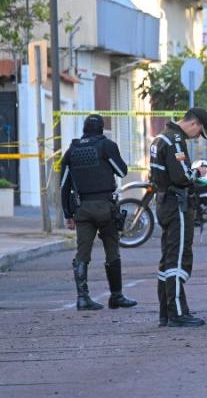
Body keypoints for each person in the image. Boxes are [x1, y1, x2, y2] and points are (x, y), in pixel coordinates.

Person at [61, 114, 137, 311]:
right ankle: (116, 296)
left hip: (82, 209)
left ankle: (82, 298)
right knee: (112, 249)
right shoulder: (106, 145)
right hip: (105, 207)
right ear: (102, 129)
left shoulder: (72, 150)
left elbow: (64, 185)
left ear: (84, 129)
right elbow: (121, 171)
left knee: (82, 253)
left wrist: (67, 214)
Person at [150, 108, 207, 327]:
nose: (196, 136)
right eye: (199, 131)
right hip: (177, 204)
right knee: (177, 259)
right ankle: (177, 313)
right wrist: (198, 173)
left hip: (164, 202)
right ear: (194, 123)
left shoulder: (159, 137)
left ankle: (165, 312)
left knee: (167, 257)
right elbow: (181, 176)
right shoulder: (175, 140)